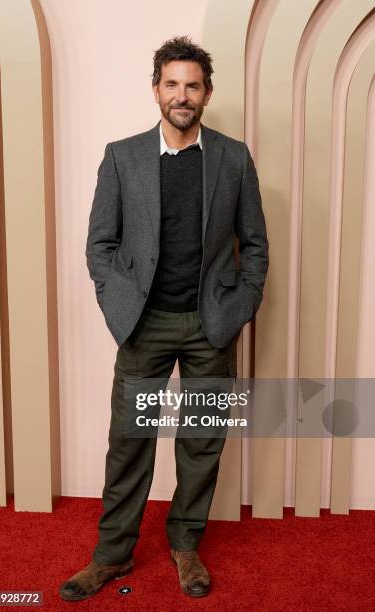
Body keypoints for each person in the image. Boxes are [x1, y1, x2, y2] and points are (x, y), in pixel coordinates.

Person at [59, 35, 269, 602]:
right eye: (171, 84)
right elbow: (99, 243)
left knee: (202, 442)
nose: (182, 95)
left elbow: (255, 243)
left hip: (210, 326)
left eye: (192, 86)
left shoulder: (233, 157)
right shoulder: (122, 156)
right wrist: (115, 300)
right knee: (129, 441)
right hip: (143, 325)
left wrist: (240, 305)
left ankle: (185, 546)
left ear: (206, 94)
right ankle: (110, 556)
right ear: (156, 90)